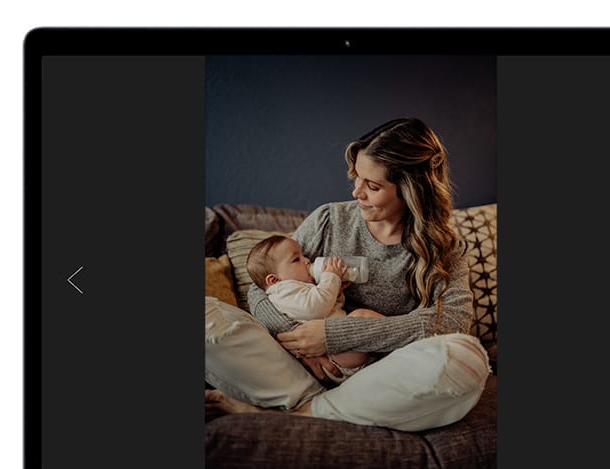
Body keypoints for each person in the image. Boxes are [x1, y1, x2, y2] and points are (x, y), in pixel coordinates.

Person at [205, 117, 490, 431]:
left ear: (412, 192)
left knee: (467, 358)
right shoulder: (331, 219)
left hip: (378, 378)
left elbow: (452, 322)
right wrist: (302, 340)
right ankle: (316, 404)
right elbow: (262, 288)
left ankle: (299, 412)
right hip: (300, 368)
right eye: (357, 178)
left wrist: (334, 336)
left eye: (373, 185)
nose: (357, 192)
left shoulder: (446, 248)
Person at [245, 234, 382, 383]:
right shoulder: (283, 291)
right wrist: (330, 277)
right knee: (361, 316)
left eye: (303, 255)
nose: (307, 260)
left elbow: (327, 308)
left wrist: (336, 292)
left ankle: (394, 346)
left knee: (361, 319)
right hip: (332, 357)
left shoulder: (297, 286)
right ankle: (402, 343)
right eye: (296, 259)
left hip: (341, 346)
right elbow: (314, 308)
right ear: (274, 280)